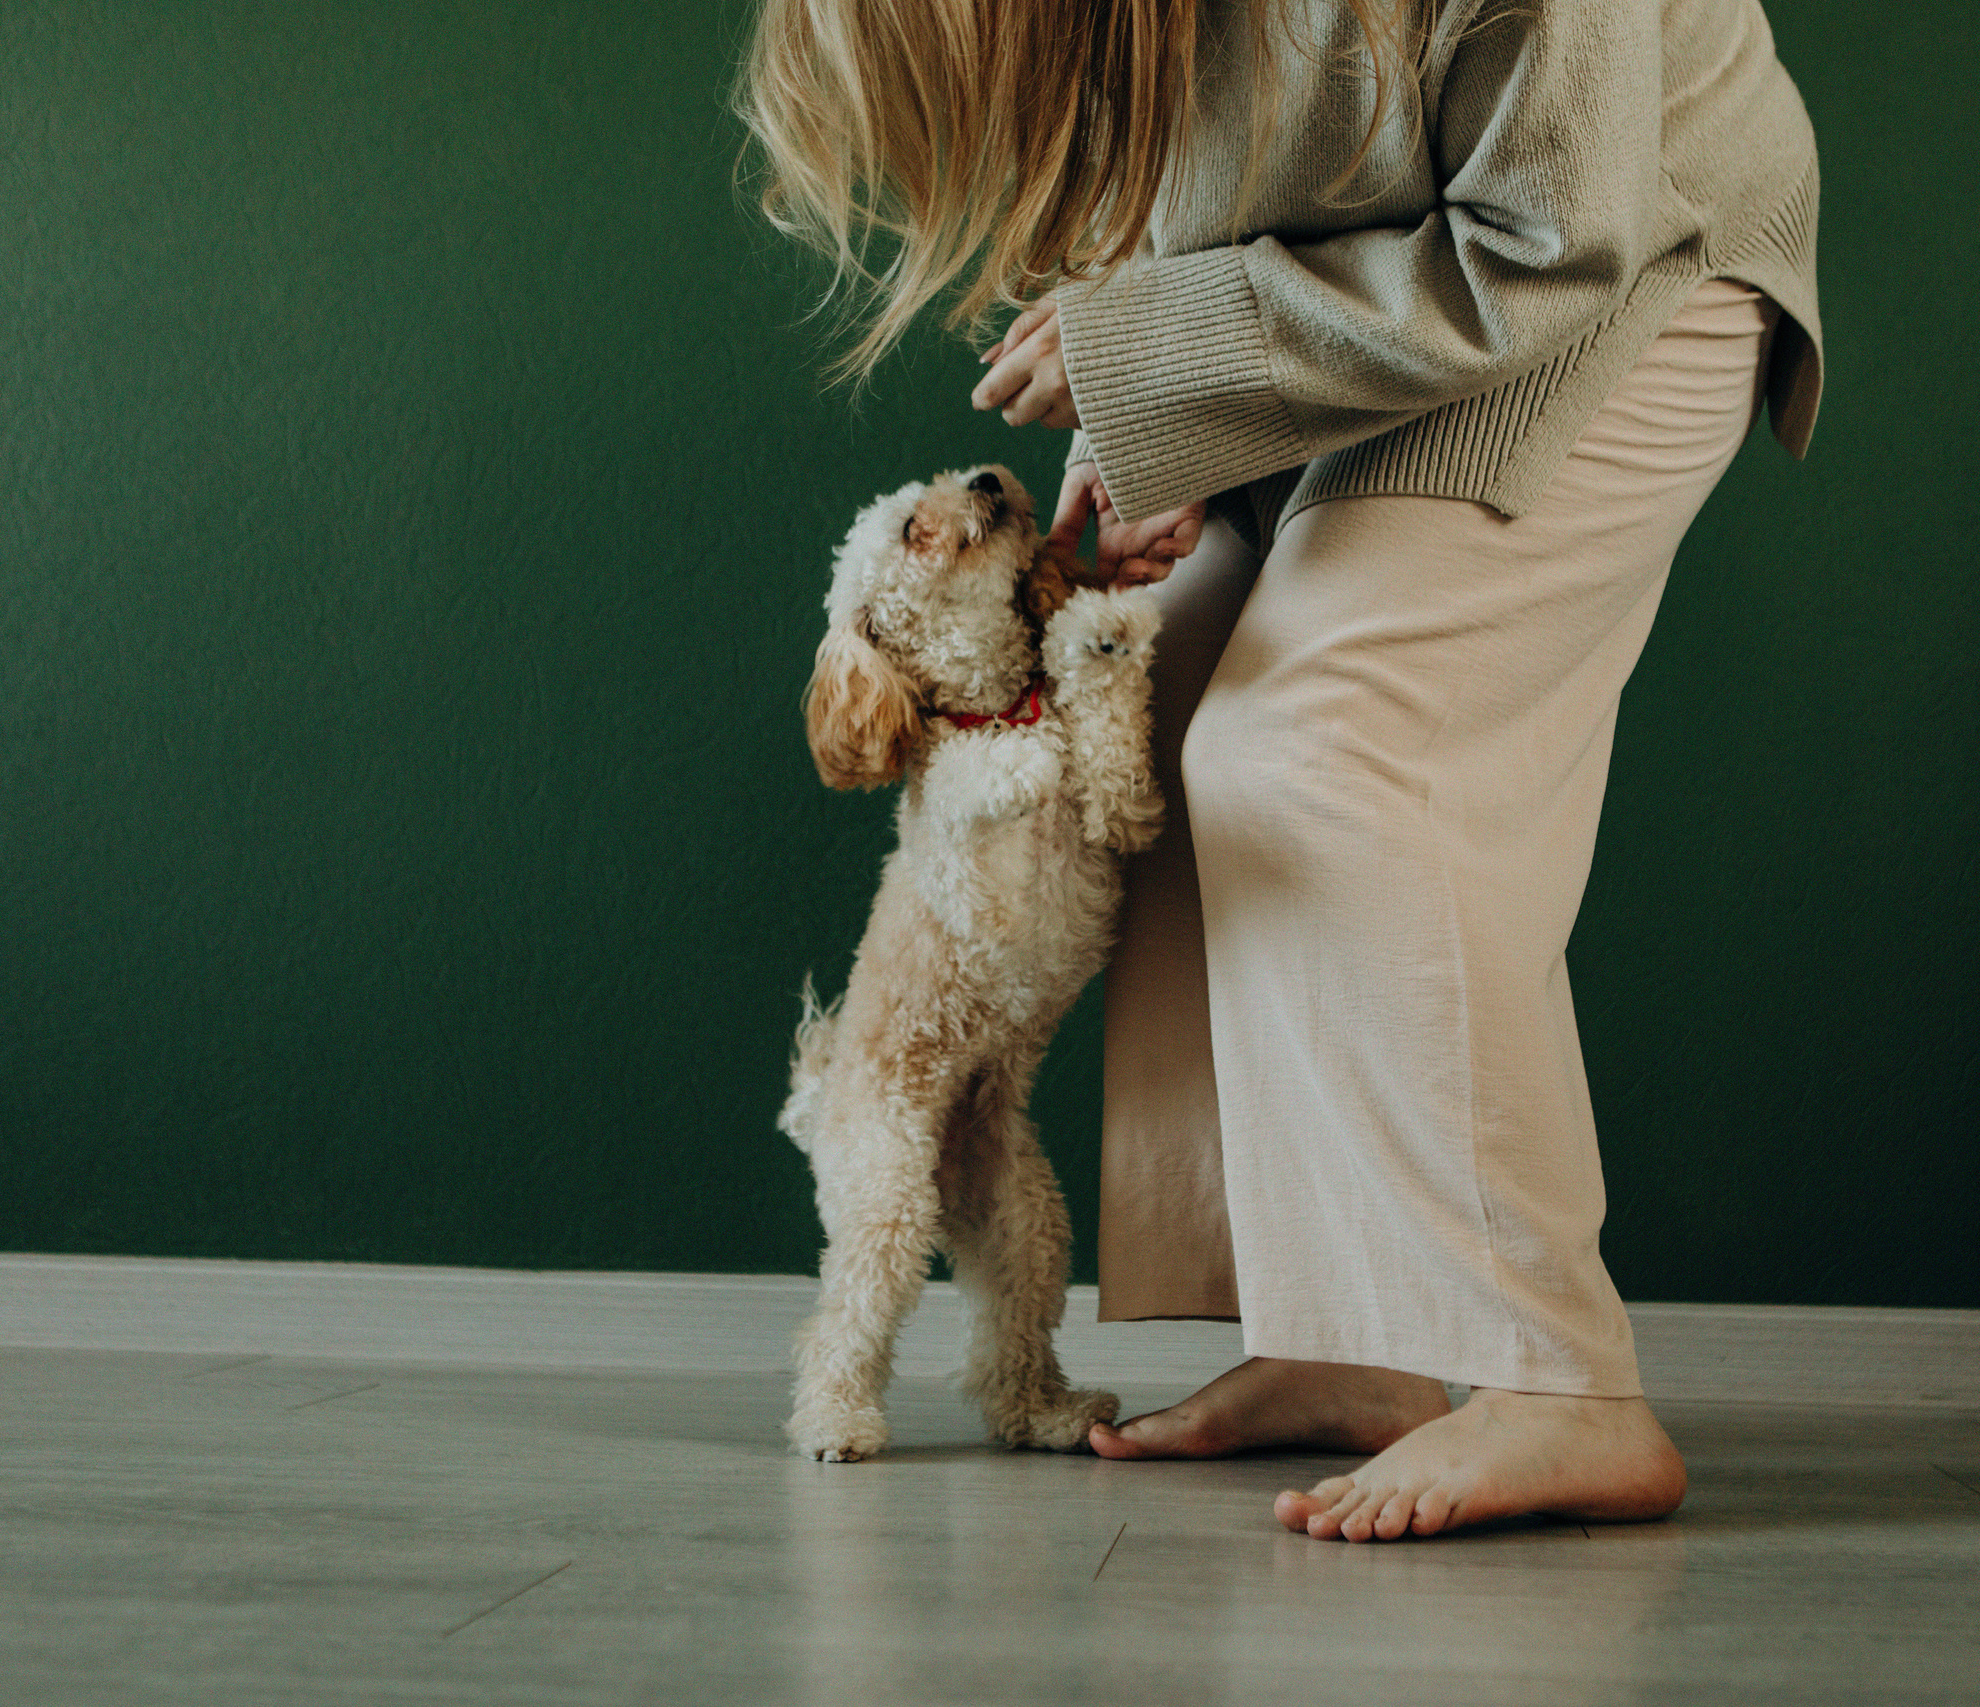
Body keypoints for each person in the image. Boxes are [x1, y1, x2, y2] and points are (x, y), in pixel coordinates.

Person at [738, 0, 1822, 1541]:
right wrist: (1160, 432)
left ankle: (1557, 1378)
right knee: (1155, 697)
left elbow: (1547, 244)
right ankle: (1356, 1341)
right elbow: (1232, 173)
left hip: (1631, 267)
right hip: (1406, 293)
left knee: (1322, 743)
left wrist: (1165, 358)